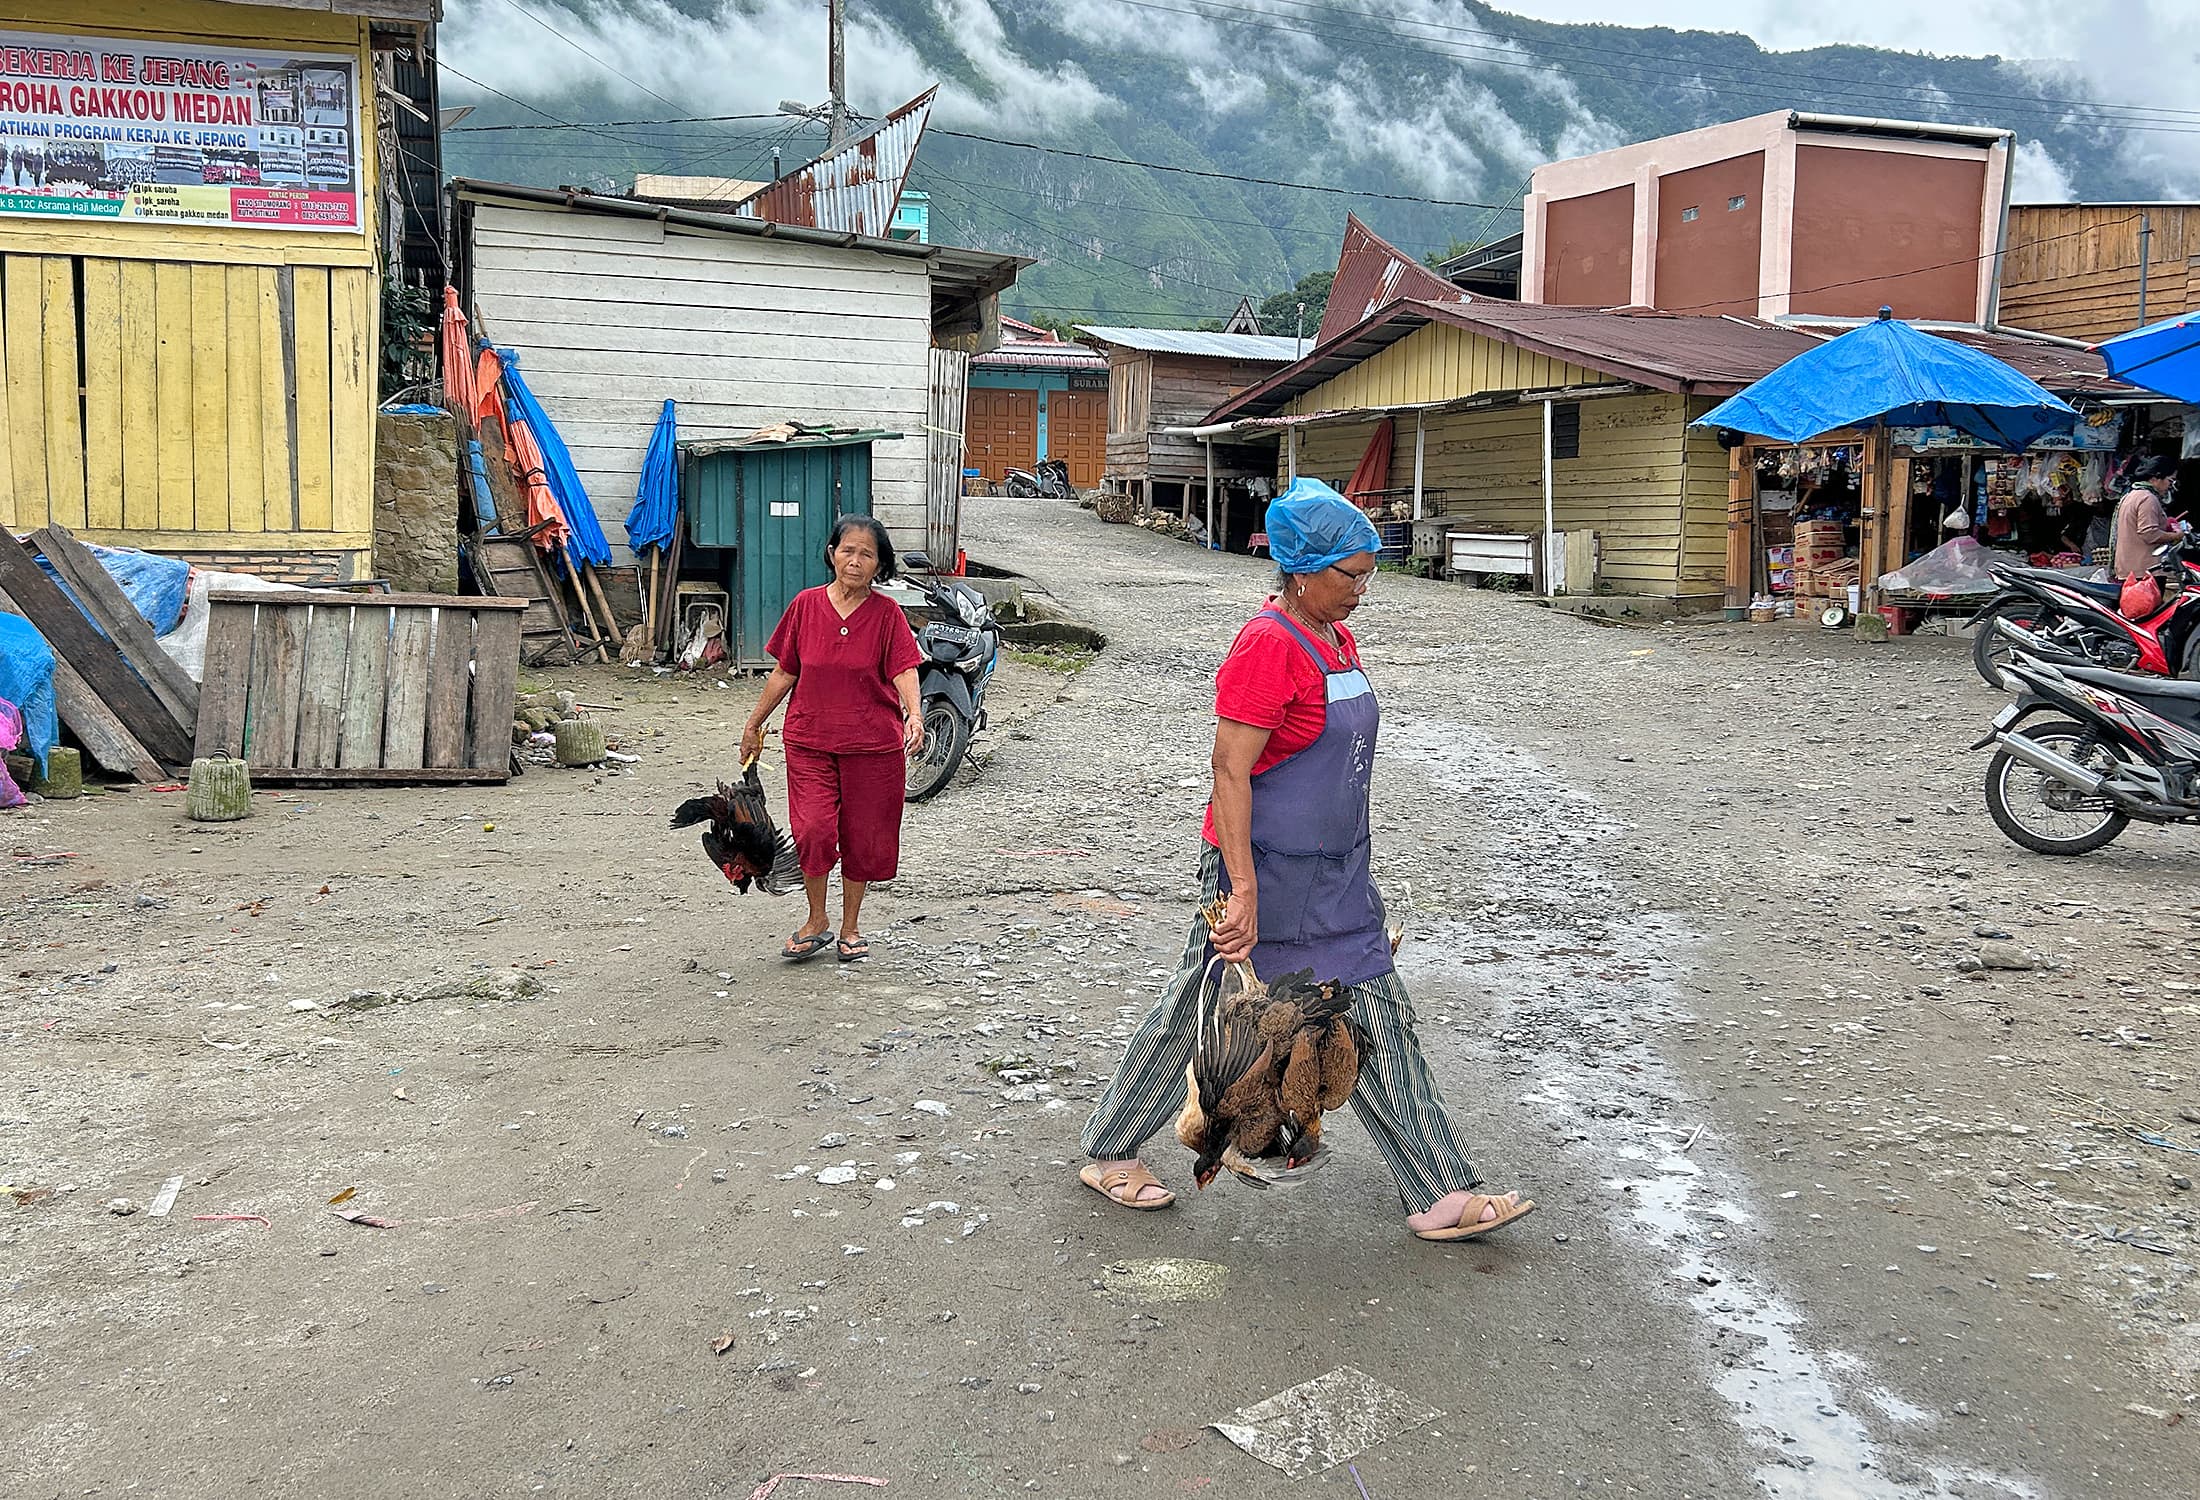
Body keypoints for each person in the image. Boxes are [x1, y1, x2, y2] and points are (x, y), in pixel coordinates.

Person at [1076, 479, 1536, 1243]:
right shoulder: (1266, 646)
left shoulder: (1334, 637)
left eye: (1368, 573)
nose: (1362, 589)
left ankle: (1440, 1191)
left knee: (1380, 1020)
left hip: (1337, 875)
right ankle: (1110, 1149)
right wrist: (1243, 891)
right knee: (1201, 1017)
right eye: (1348, 575)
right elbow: (1230, 770)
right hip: (1259, 871)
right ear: (1300, 568)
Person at [740, 515, 924, 963]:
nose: (855, 561)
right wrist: (754, 723)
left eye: (867, 554)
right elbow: (786, 669)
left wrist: (914, 714)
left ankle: (851, 926)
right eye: (848, 551)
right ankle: (817, 918)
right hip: (810, 739)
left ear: (879, 565)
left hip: (873, 746)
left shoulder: (887, 614)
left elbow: (903, 667)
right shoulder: (805, 605)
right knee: (814, 830)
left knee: (863, 836)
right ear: (831, 553)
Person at [2114, 454, 2183, 584]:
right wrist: (2177, 535)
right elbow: (2149, 534)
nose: (2171, 486)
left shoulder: (2132, 495)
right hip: (2145, 571)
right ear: (2156, 478)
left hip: (2130, 568)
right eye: (2170, 480)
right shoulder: (2148, 498)